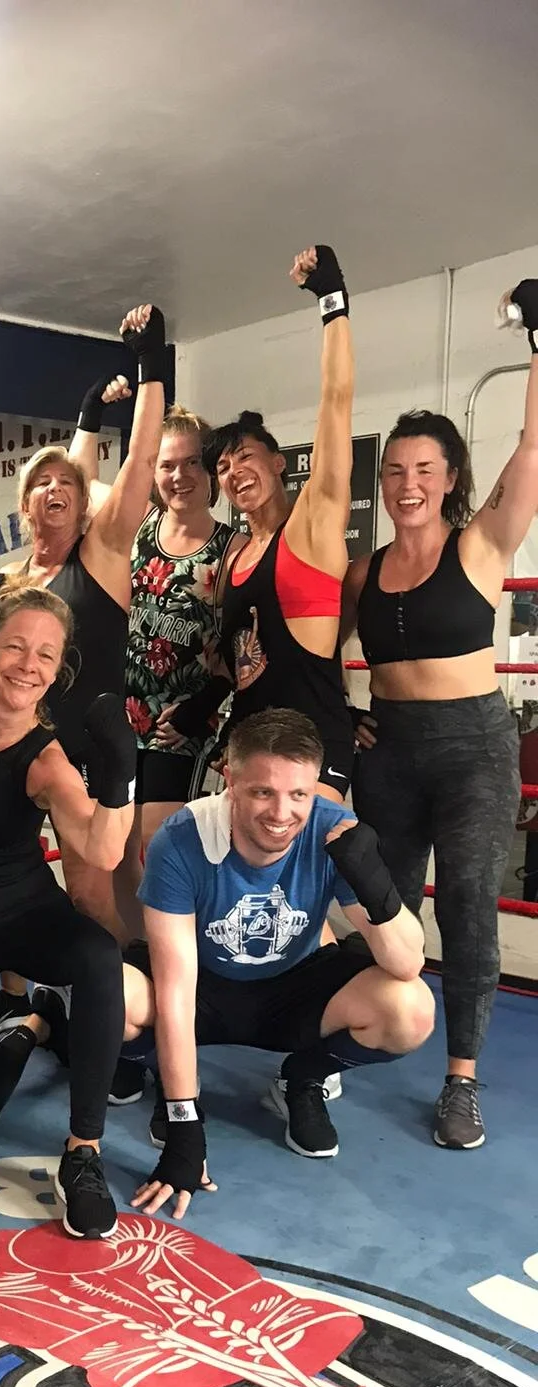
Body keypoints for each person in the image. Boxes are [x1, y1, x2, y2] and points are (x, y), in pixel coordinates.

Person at [344, 279, 538, 1150]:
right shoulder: (364, 571)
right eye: (395, 471)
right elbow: (318, 653)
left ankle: (461, 1080)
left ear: (451, 478)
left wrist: (537, 342)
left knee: (464, 907)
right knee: (380, 904)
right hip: (389, 750)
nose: (407, 484)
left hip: (473, 750)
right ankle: (347, 1040)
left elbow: (534, 444)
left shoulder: (482, 543)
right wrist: (345, 714)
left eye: (424, 470)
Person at [123, 708, 434, 1219]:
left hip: (294, 987)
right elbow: (176, 990)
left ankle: (301, 1079)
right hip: (204, 986)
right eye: (263, 792)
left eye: (299, 795)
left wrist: (373, 881)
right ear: (230, 780)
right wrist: (185, 1128)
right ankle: (173, 1082)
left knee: (410, 1009)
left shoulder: (332, 830)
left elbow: (406, 963)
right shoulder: (182, 838)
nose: (282, 813)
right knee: (109, 996)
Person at [0, 584, 135, 1239]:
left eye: (45, 655)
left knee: (97, 956)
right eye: (15, 646)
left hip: (23, 912)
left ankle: (83, 1152)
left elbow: (102, 848)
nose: (28, 665)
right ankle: (35, 1023)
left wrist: (120, 772)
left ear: (59, 669)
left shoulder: (47, 759)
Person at [0, 302, 168, 938]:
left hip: (86, 750)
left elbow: (139, 465)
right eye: (42, 483)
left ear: (83, 505)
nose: (54, 489)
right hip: (17, 748)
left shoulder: (99, 557)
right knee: (9, 876)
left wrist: (152, 364)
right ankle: (35, 986)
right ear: (25, 503)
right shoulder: (6, 582)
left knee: (89, 887)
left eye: (67, 484)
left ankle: (119, 985)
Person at [194, 246, 356, 805]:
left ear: (279, 462)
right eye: (222, 466)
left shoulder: (312, 525)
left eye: (245, 456)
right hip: (250, 752)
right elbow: (242, 664)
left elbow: (336, 402)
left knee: (306, 864)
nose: (234, 471)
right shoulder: (236, 557)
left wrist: (332, 303)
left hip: (313, 752)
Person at [74, 400, 231, 895]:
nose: (179, 476)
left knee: (161, 846)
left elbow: (246, 642)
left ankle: (179, 937)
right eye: (167, 465)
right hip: (119, 717)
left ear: (211, 470)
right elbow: (80, 483)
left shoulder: (232, 549)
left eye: (192, 462)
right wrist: (90, 415)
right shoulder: (138, 523)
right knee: (117, 850)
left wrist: (203, 706)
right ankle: (133, 941)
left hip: (178, 727)